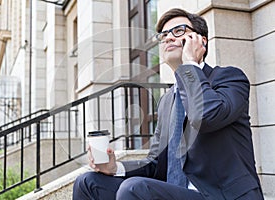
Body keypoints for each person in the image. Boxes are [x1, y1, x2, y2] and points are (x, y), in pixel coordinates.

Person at [72, 8, 264, 200]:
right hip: (177, 193)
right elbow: (156, 164)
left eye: (178, 31)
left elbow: (205, 116)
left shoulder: (229, 78)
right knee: (87, 182)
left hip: (221, 195)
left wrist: (190, 65)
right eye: (163, 35)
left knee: (133, 189)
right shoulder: (167, 101)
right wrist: (115, 167)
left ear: (201, 40)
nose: (169, 38)